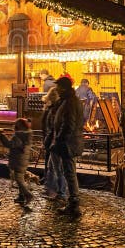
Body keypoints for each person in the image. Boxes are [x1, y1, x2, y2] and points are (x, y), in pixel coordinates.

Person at [51, 76, 84, 218]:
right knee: (69, 172)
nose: (56, 89)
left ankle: (74, 204)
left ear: (63, 88)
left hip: (68, 143)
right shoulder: (68, 100)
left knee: (69, 173)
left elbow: (68, 124)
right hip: (69, 142)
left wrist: (59, 140)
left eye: (58, 86)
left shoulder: (70, 102)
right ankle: (73, 202)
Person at [0, 118, 33, 205]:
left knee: (19, 179)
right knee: (19, 178)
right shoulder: (26, 136)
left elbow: (9, 144)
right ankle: (21, 196)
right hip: (22, 161)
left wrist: (2, 136)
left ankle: (28, 195)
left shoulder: (19, 136)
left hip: (18, 161)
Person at [41, 87, 65, 200]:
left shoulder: (55, 110)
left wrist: (47, 141)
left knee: (57, 168)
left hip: (55, 142)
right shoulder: (56, 109)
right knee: (52, 167)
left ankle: (61, 192)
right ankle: (51, 189)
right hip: (55, 142)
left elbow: (52, 128)